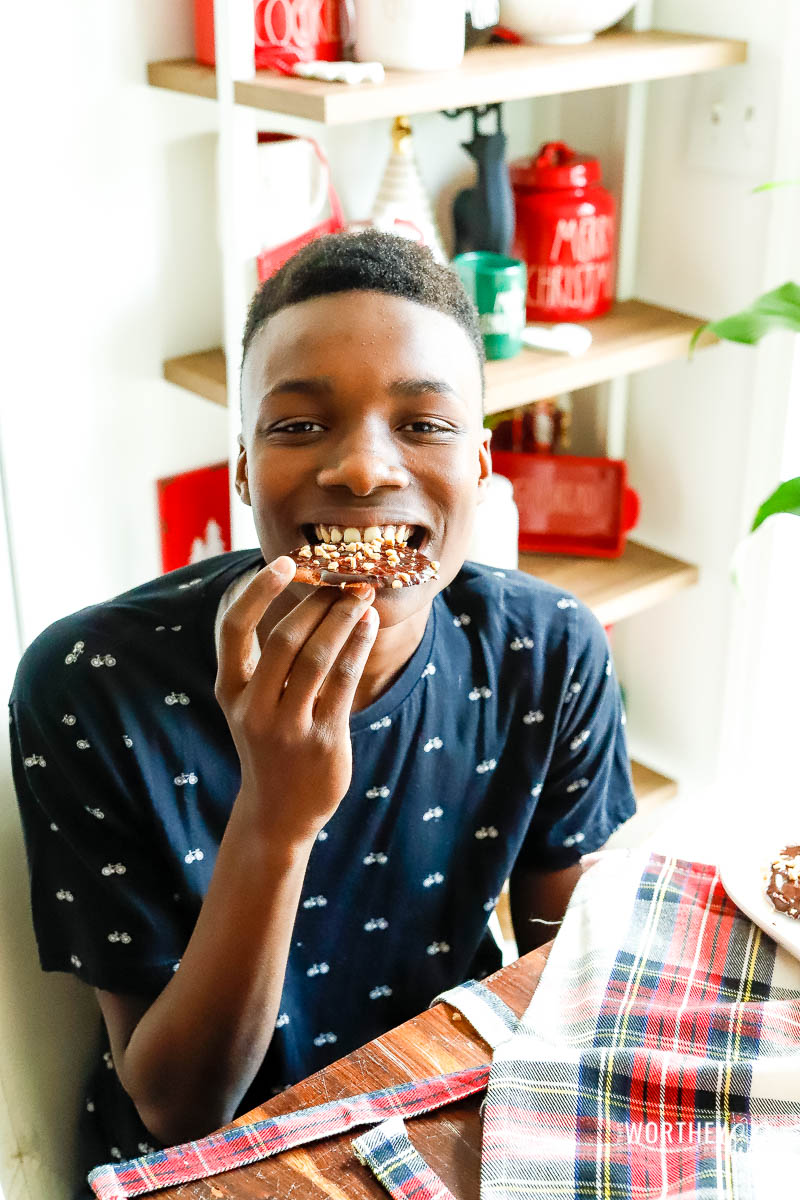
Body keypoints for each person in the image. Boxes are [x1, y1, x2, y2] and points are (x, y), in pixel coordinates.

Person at [9, 230, 635, 1194]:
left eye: (423, 424)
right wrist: (276, 815)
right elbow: (176, 1106)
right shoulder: (90, 682)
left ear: (481, 465)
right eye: (299, 425)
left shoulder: (546, 649)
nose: (362, 470)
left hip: (442, 1109)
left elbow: (560, 971)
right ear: (243, 469)